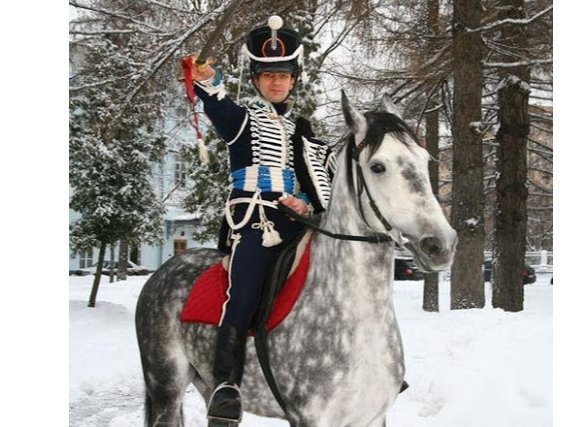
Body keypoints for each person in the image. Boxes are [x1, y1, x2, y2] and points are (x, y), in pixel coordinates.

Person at [187, 17, 335, 424]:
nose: (276, 82)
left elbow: (315, 182)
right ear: (255, 80)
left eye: (283, 75)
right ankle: (225, 384)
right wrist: (206, 79)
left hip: (295, 221)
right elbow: (216, 103)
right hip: (255, 222)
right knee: (245, 289)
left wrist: (305, 204)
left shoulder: (302, 130)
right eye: (268, 75)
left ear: (293, 80)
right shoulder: (242, 121)